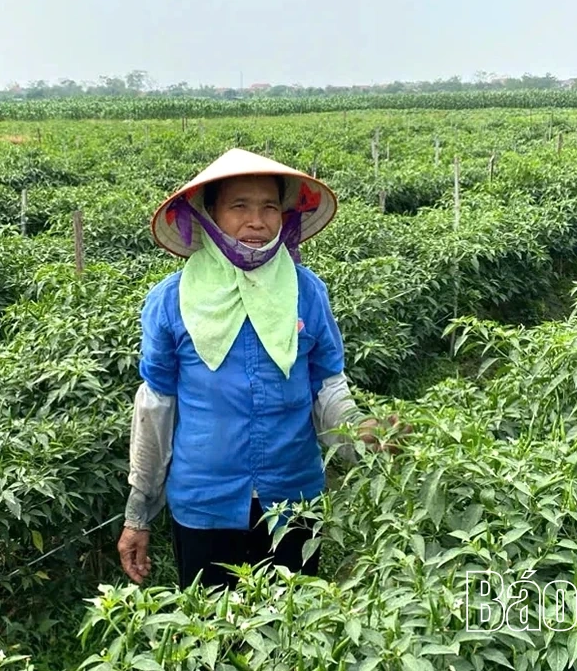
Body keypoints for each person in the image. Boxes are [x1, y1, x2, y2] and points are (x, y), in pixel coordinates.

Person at [116, 148, 401, 591]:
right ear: (210, 214)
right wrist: (139, 511)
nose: (257, 221)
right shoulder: (172, 300)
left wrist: (359, 431)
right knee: (211, 625)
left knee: (293, 622)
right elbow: (156, 408)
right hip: (205, 503)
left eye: (270, 207)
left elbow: (327, 387)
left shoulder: (306, 292)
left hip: (293, 500)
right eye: (239, 207)